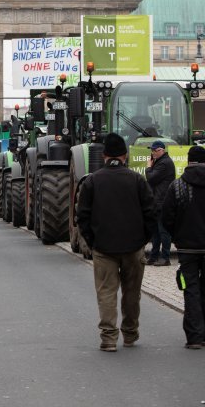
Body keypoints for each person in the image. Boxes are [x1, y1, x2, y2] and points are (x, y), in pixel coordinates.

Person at [76, 133, 155, 352]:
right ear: (125, 155)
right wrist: (143, 239)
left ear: (104, 156)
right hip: (133, 247)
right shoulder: (137, 180)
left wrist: (92, 242)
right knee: (132, 293)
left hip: (103, 247)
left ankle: (109, 338)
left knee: (106, 293)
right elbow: (150, 213)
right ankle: (130, 333)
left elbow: (82, 215)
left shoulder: (92, 180)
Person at [162, 145, 205, 349]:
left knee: (191, 290)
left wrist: (177, 237)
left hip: (187, 249)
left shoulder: (177, 186)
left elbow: (167, 217)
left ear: (188, 162)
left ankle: (195, 337)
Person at [146, 140, 175, 266]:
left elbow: (151, 178)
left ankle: (165, 258)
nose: (153, 153)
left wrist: (148, 167)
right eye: (152, 150)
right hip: (157, 201)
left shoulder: (165, 163)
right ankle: (153, 257)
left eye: (155, 150)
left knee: (163, 231)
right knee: (155, 232)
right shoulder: (160, 162)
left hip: (162, 201)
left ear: (162, 150)